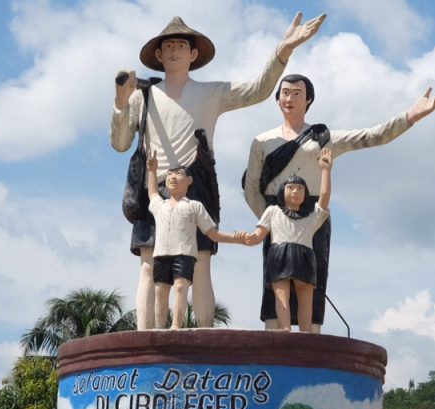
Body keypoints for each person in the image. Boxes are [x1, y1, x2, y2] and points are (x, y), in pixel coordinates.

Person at [112, 13, 325, 330]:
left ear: (193, 54)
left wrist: (283, 50)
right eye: (167, 45)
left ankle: (202, 336)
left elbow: (257, 90)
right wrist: (120, 100)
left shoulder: (211, 92)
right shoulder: (143, 95)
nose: (173, 51)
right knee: (148, 265)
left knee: (199, 267)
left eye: (180, 45)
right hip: (153, 189)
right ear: (157, 55)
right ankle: (146, 337)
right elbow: (120, 142)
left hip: (196, 187)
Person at [244, 74, 435, 332]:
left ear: (308, 99)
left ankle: (312, 339)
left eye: (297, 93)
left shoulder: (323, 137)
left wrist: (411, 115)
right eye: (285, 92)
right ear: (277, 99)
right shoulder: (263, 140)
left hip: (314, 214)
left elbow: (374, 136)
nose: (290, 98)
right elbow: (251, 186)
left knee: (314, 278)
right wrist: (270, 220)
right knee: (275, 280)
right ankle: (273, 337)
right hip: (276, 216)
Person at [240, 149, 332, 332]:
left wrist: (325, 171)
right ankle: (285, 329)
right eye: (290, 188)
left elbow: (324, 198)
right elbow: (258, 235)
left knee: (306, 296)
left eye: (300, 189)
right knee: (280, 296)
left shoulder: (312, 216)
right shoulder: (272, 211)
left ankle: (305, 333)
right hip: (279, 254)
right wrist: (247, 239)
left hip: (305, 256)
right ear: (282, 191)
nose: (295, 192)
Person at [145, 156, 241, 329]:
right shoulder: (160, 205)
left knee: (181, 288)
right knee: (161, 291)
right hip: (160, 253)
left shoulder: (194, 206)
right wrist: (152, 171)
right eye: (169, 175)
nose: (172, 178)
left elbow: (212, 233)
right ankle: (159, 327)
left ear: (189, 180)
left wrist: (236, 238)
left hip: (184, 254)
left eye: (178, 174)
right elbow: (152, 193)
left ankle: (176, 325)